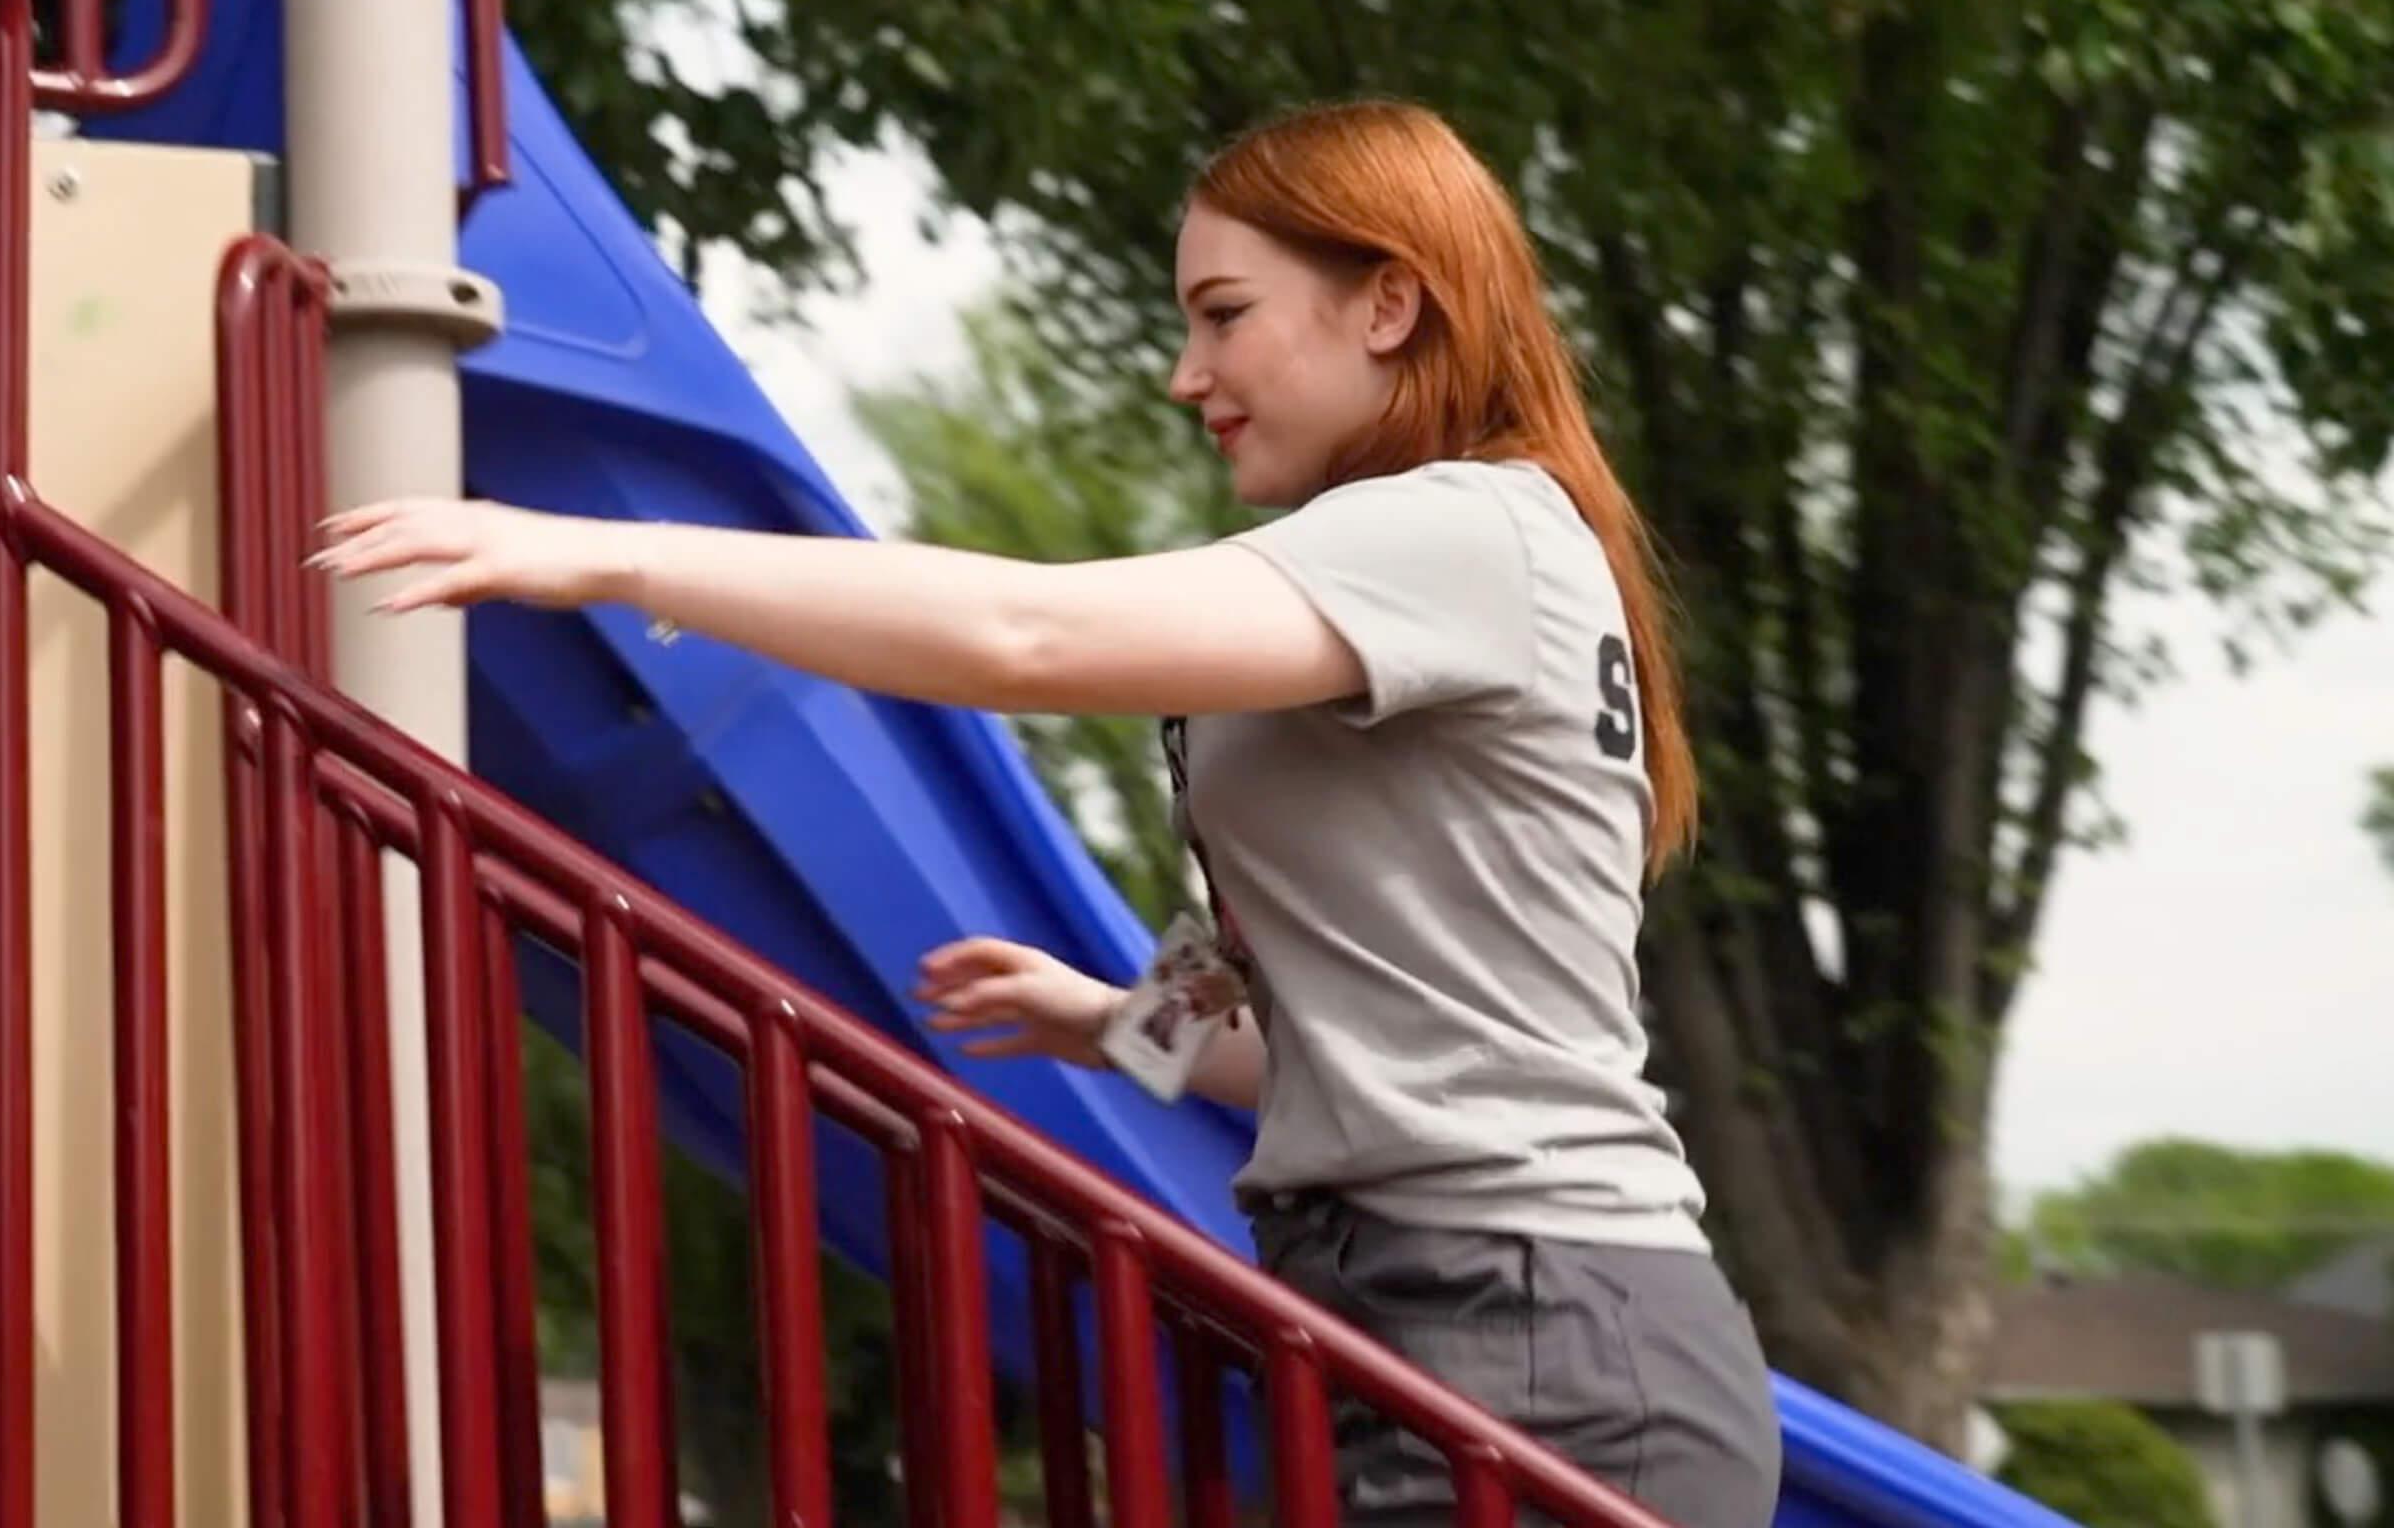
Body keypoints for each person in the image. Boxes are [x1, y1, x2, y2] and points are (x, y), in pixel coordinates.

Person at [314, 98, 1781, 1527]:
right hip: (1452, 1313)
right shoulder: (1434, 564)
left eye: (1224, 313)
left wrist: (605, 561)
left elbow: (1024, 636)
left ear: (1389, 305)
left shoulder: (1462, 525)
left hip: (1530, 1324)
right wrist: (1109, 1021)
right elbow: (1378, 1030)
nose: (1186, 371)